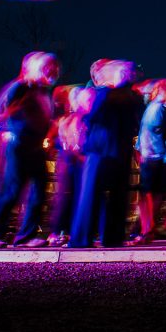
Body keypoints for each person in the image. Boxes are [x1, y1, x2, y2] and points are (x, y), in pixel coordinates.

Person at [0, 52, 60, 249]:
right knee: (12, 190)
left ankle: (26, 236)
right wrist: (5, 113)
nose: (53, 71)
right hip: (19, 144)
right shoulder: (22, 87)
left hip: (35, 145)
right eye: (49, 67)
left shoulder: (42, 91)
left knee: (38, 191)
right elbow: (2, 110)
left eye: (54, 67)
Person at [70, 60, 145, 248]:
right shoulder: (131, 97)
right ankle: (112, 237)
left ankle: (82, 238)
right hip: (117, 148)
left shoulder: (103, 94)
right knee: (116, 194)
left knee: (92, 193)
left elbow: (90, 117)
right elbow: (135, 123)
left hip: (100, 148)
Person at [132, 79, 166, 245]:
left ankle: (147, 230)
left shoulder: (157, 108)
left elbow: (149, 131)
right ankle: (147, 229)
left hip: (153, 155)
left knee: (149, 194)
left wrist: (141, 151)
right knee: (154, 194)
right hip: (157, 156)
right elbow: (152, 131)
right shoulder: (162, 109)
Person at [47, 85, 91, 247]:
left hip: (77, 161)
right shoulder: (67, 120)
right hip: (69, 161)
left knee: (76, 196)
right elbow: (57, 139)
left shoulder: (81, 119)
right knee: (65, 196)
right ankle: (58, 231)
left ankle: (70, 231)